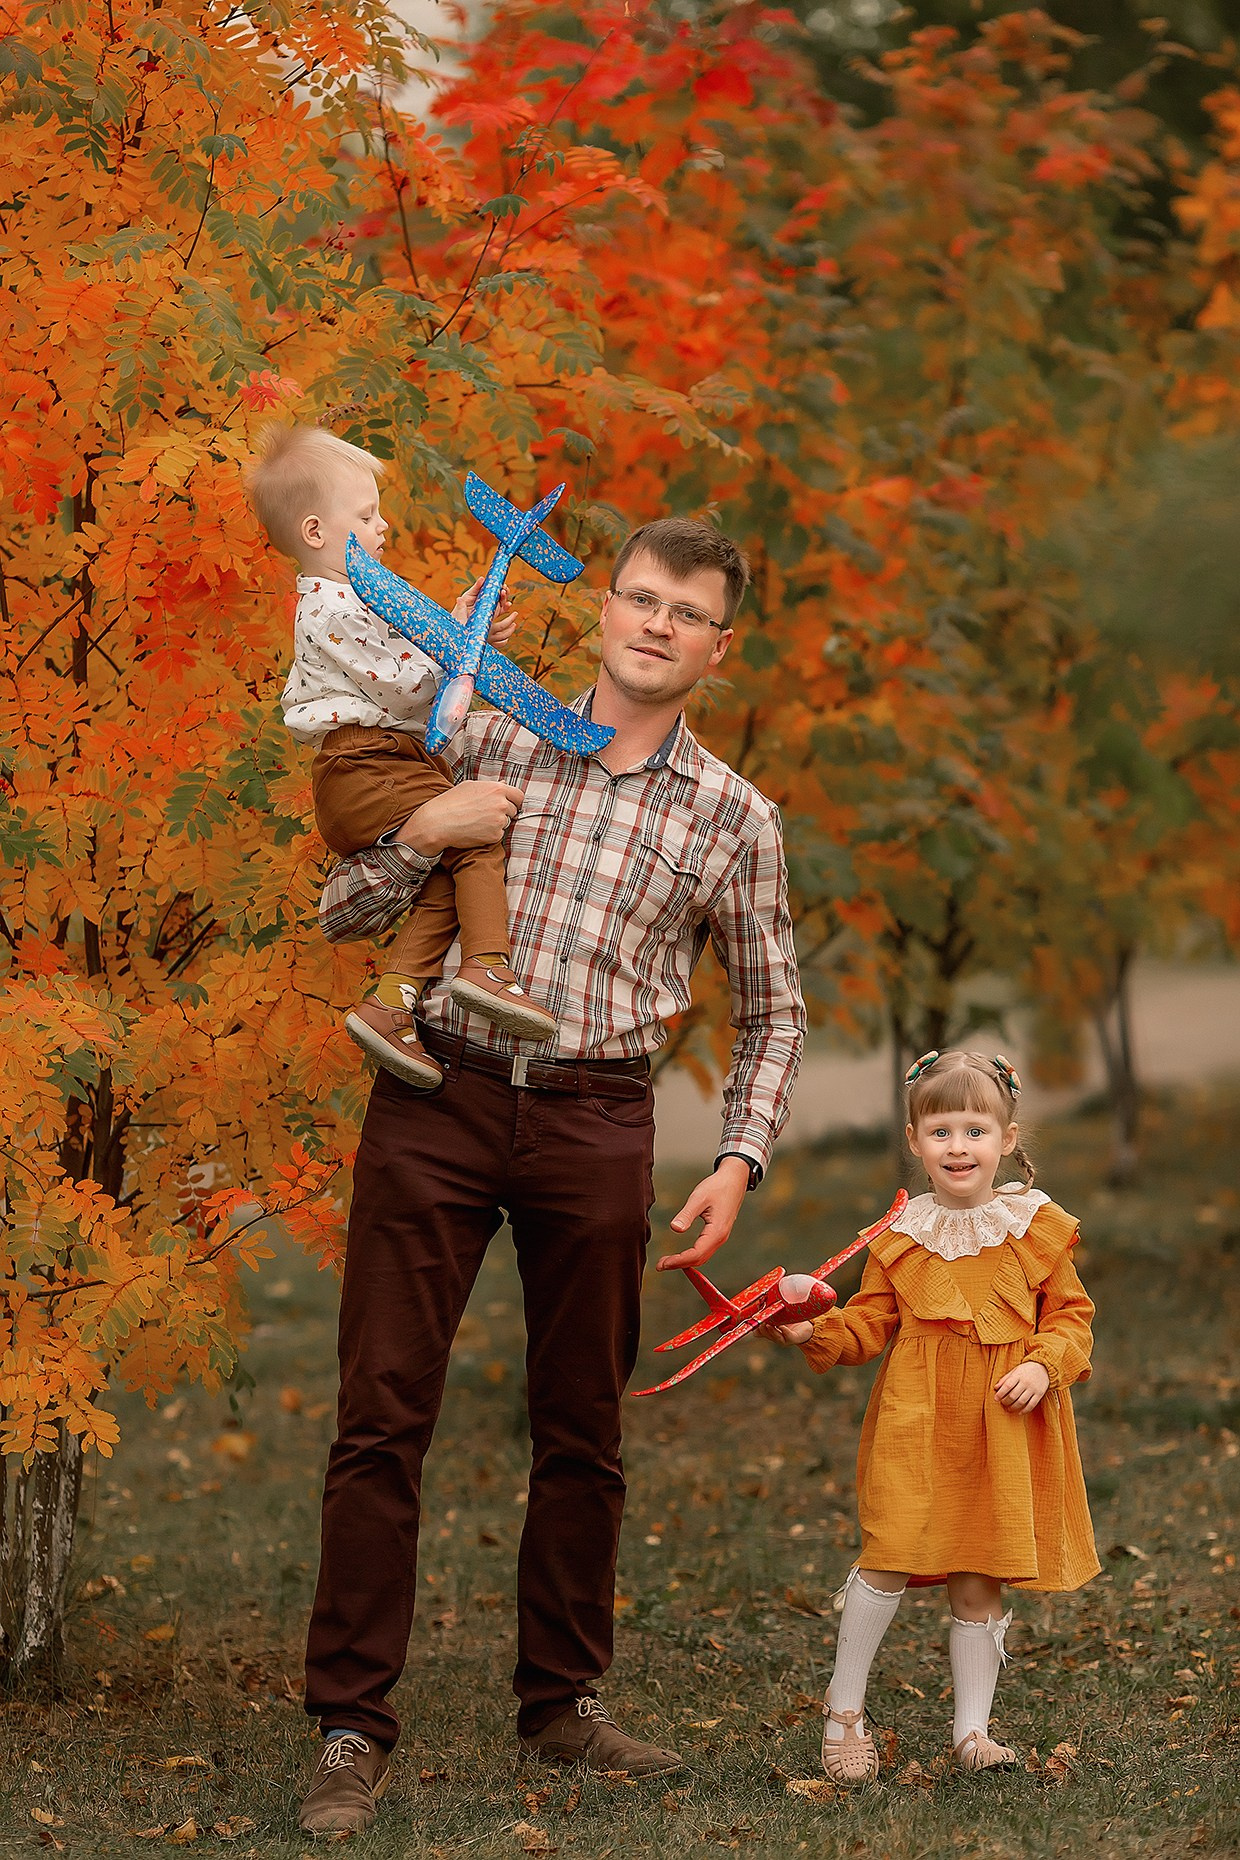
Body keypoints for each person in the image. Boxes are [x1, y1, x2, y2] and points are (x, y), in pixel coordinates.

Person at [295, 516, 807, 1835]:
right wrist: (430, 830)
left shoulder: (734, 817)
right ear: (606, 609)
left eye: (685, 613)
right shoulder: (480, 730)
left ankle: (562, 1703)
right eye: (639, 597)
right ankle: (351, 1724)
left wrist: (738, 1156)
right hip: (437, 1093)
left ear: (718, 648)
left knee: (583, 1424)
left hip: (597, 1121)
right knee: (382, 1412)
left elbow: (774, 1012)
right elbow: (343, 911)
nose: (655, 624)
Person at [767, 1049, 1099, 1782]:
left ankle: (972, 1731)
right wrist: (811, 1330)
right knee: (890, 1552)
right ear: (914, 1141)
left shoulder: (1034, 1227)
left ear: (1007, 1140)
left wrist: (1042, 1365)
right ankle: (843, 1709)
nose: (959, 1146)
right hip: (918, 1420)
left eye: (976, 1130)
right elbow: (868, 1324)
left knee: (980, 1570)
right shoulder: (898, 1236)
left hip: (1002, 1423)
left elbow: (1072, 1318)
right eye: (941, 1131)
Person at [247, 424, 558, 1093]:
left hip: (380, 765)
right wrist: (464, 653)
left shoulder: (357, 601)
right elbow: (405, 685)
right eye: (366, 516)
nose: (383, 526)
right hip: (367, 764)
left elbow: (407, 660)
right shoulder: (330, 606)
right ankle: (487, 967)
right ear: (314, 531)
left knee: (447, 870)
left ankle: (391, 1004)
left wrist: (464, 627)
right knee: (478, 839)